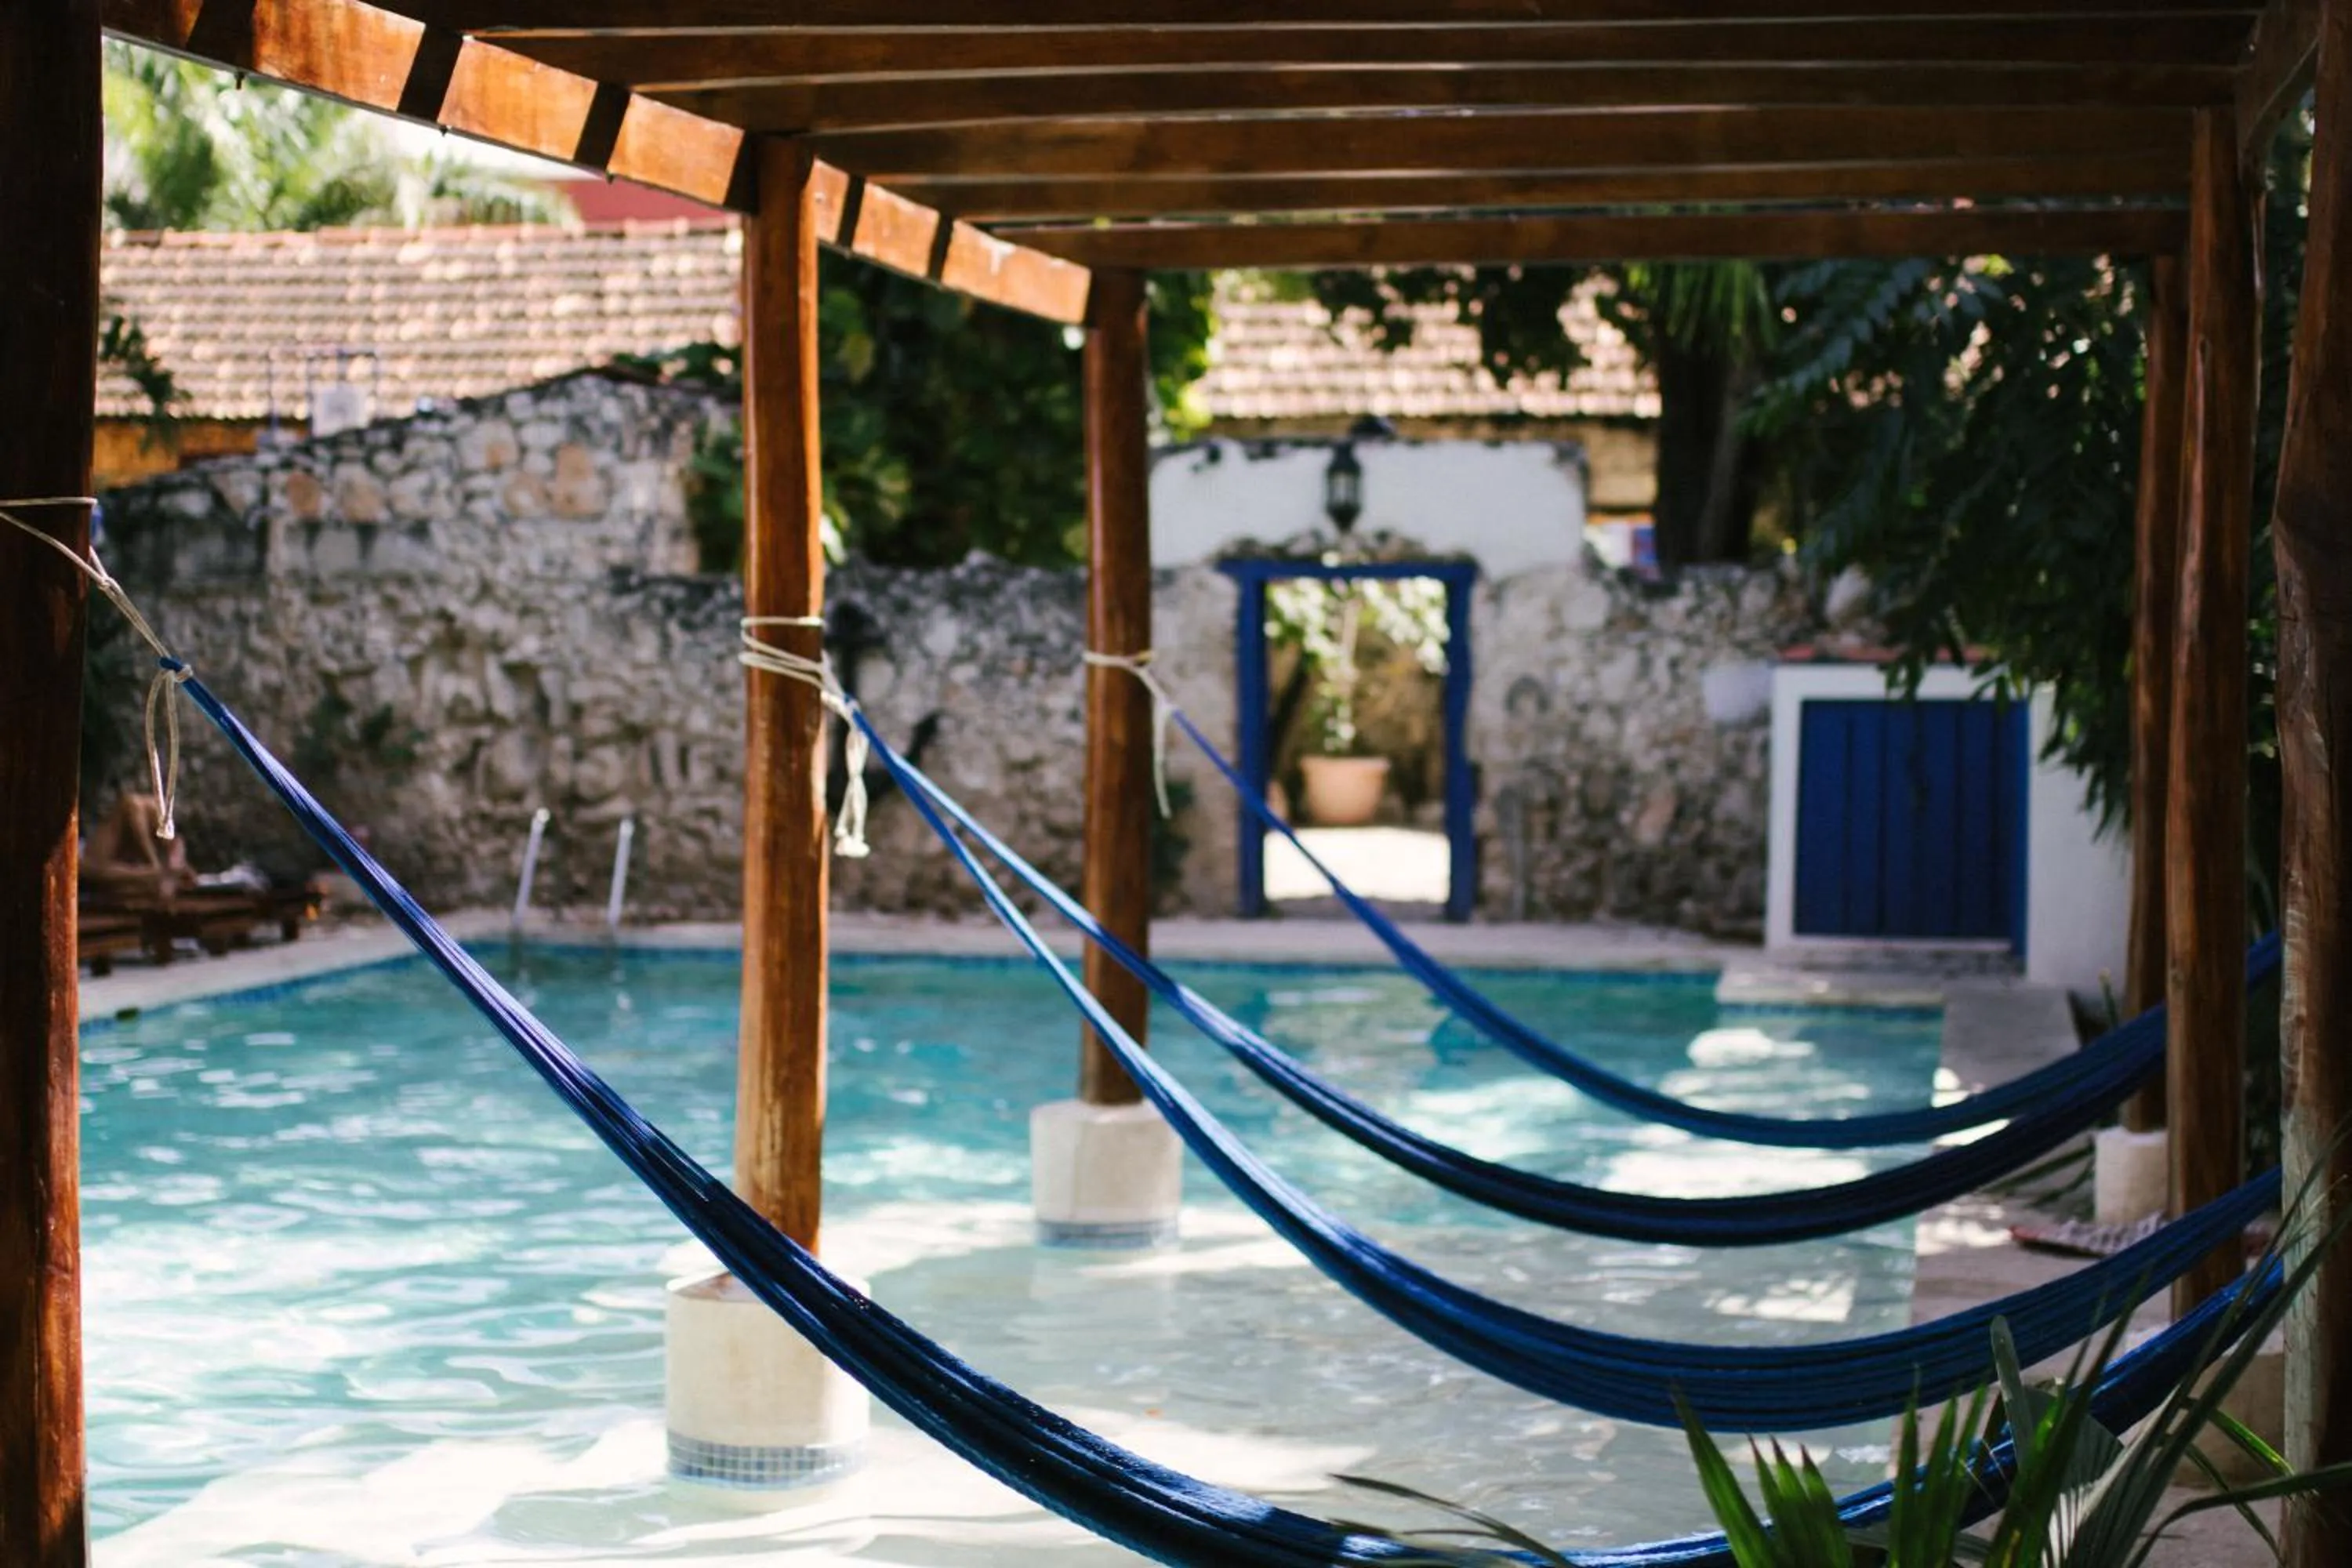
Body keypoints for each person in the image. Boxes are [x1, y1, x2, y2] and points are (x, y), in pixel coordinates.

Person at [82, 793, 197, 904]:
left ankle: (159, 869)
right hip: (95, 867)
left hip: (142, 867)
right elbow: (87, 870)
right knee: (132, 806)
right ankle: (156, 871)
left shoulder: (170, 844)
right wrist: (152, 874)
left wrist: (172, 865)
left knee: (138, 805)